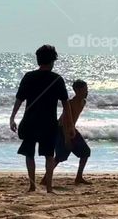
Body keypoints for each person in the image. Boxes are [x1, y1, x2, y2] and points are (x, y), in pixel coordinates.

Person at [9, 44, 74, 193]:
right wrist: (69, 126)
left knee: (29, 153)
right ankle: (49, 188)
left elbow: (19, 99)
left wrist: (12, 117)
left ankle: (32, 186)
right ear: (52, 61)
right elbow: (66, 105)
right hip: (48, 123)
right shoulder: (57, 79)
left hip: (30, 121)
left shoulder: (29, 77)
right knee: (49, 155)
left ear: (38, 60)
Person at [54, 79, 92, 185]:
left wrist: (72, 131)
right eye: (85, 90)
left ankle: (79, 177)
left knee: (85, 152)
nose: (87, 92)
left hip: (71, 129)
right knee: (60, 156)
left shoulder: (83, 102)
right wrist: (67, 139)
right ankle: (45, 179)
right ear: (77, 90)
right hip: (62, 129)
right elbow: (64, 122)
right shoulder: (69, 104)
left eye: (87, 89)